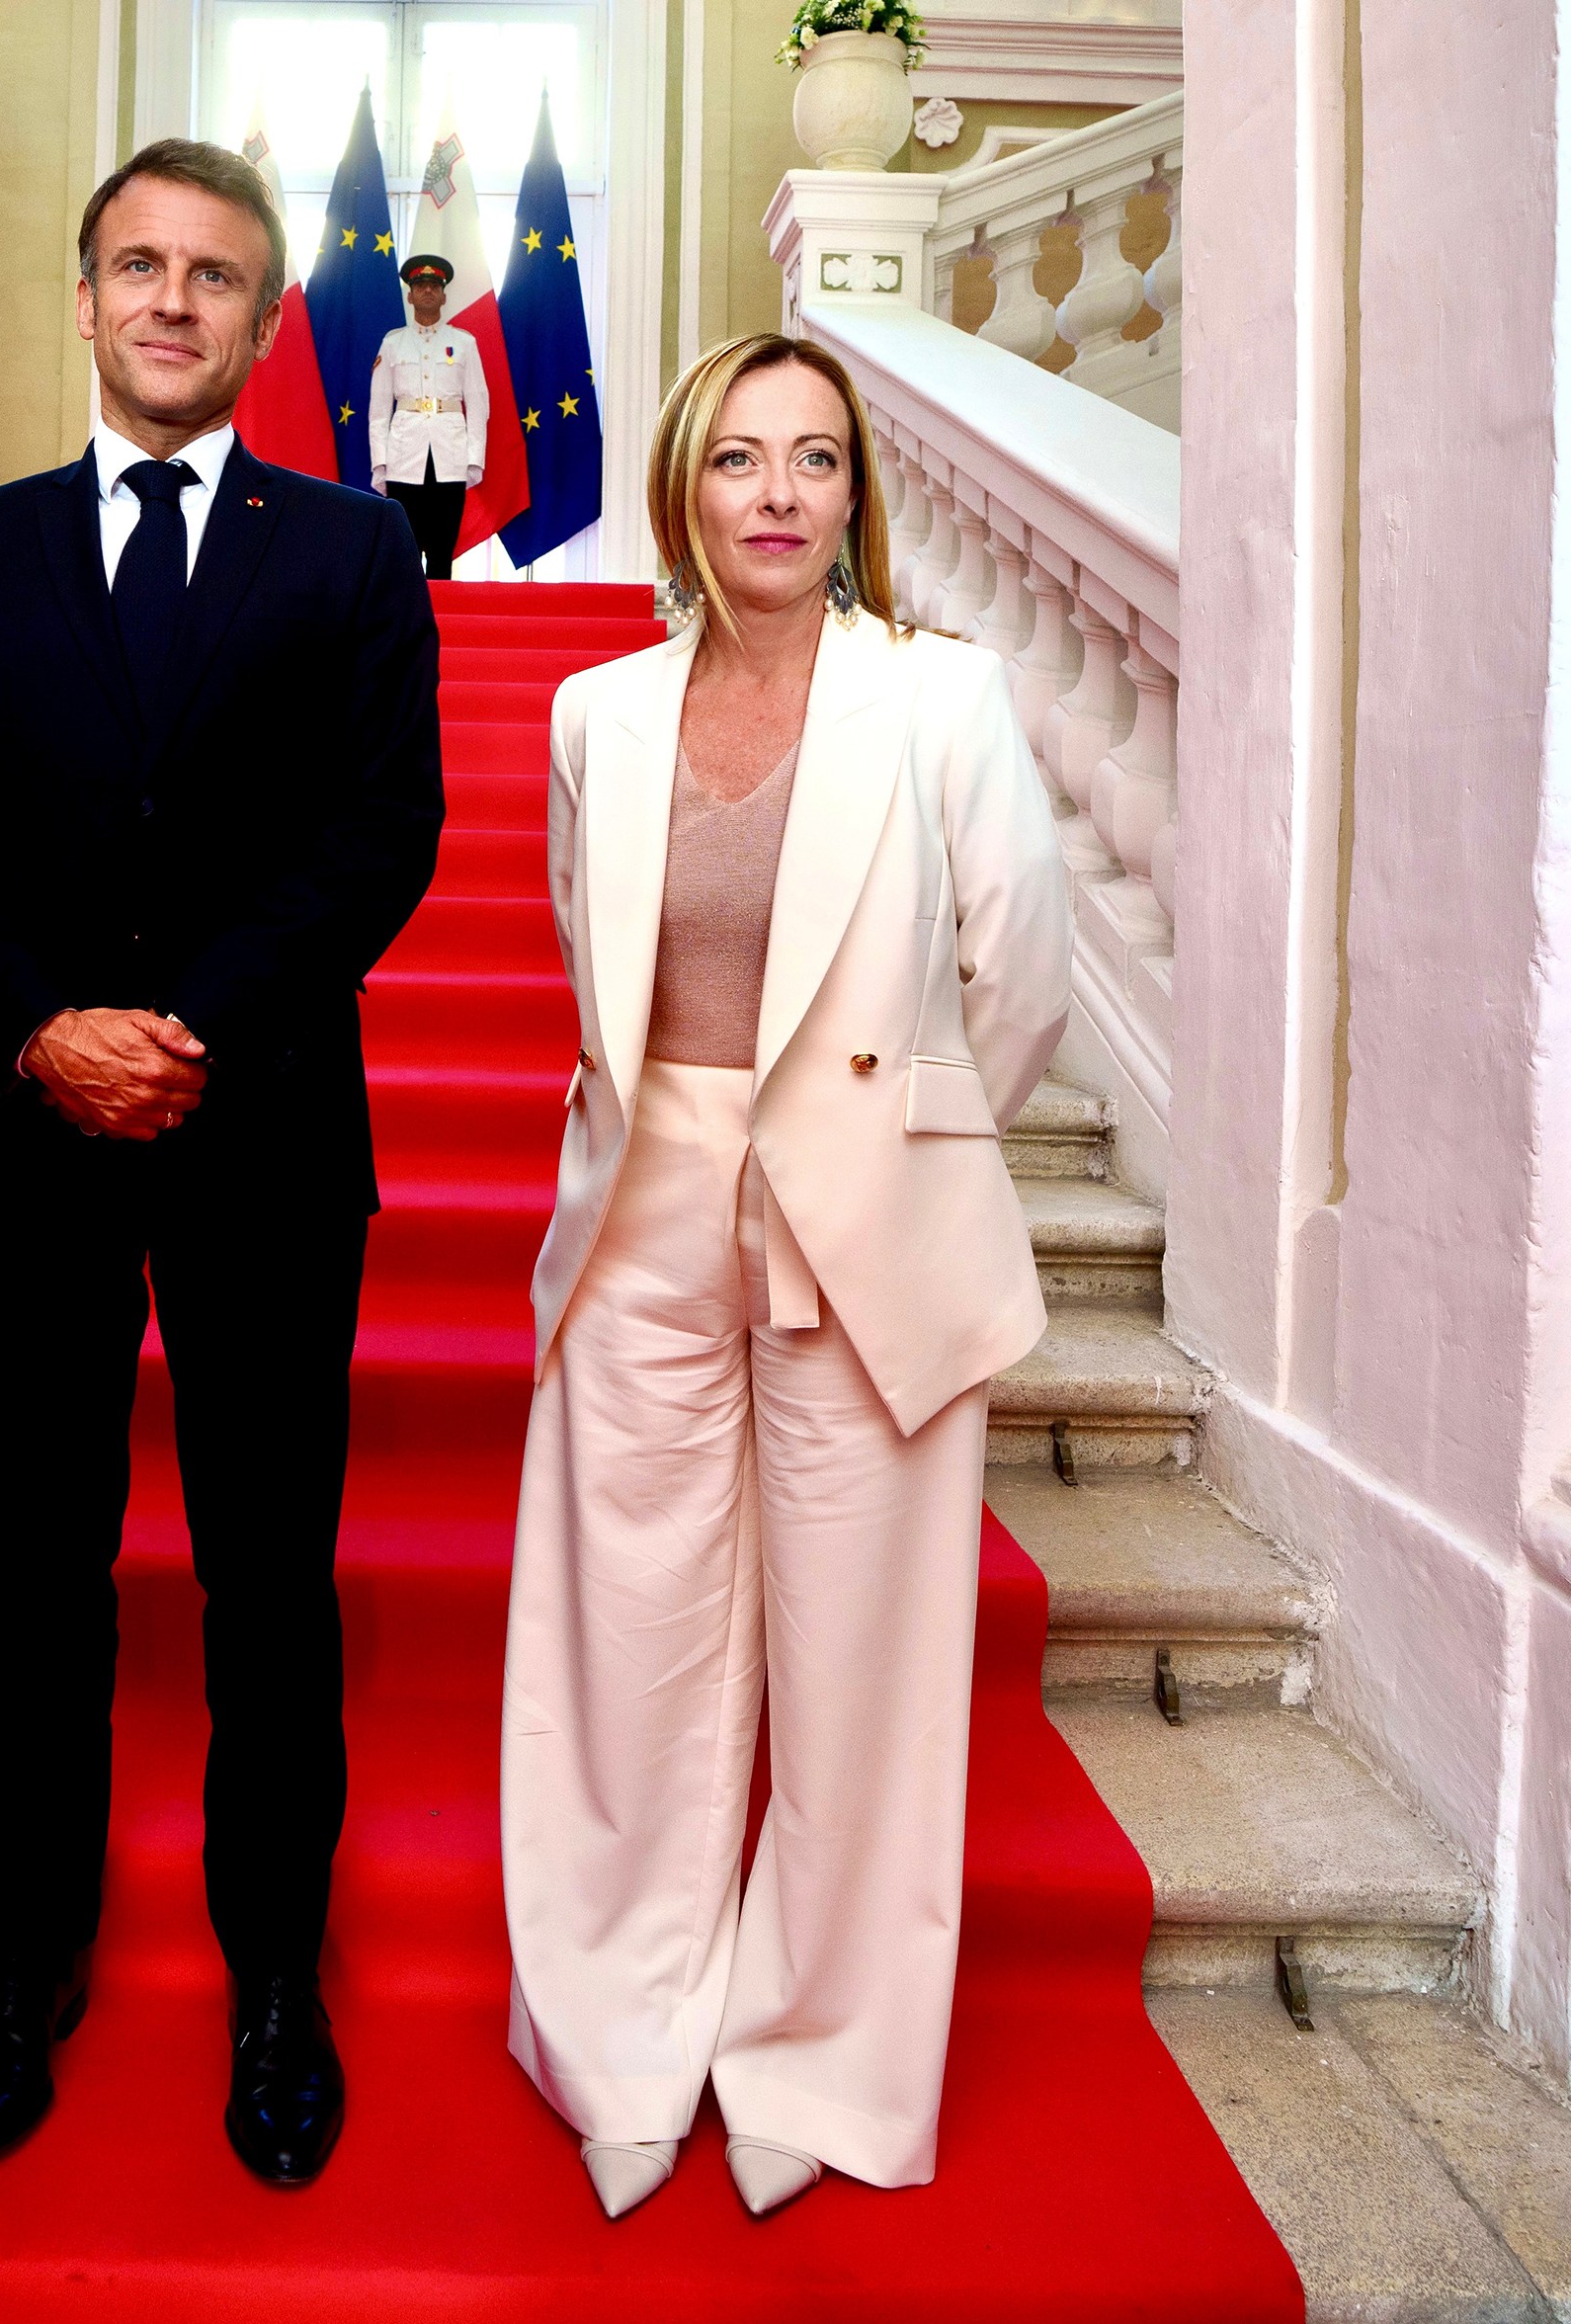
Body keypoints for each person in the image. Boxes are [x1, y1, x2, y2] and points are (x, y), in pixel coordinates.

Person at [0, 138, 443, 2187]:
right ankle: (24, 1977)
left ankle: (276, 1987)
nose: (174, 301)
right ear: (85, 298)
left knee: (270, 1588)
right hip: (25, 1145)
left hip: (263, 1136)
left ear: (269, 322)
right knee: (41, 1585)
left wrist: (191, 1030)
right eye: (139, 266)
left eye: (215, 276)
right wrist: (40, 1028)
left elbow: (381, 835)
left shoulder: (354, 552)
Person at [498, 333, 1069, 2222]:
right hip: (650, 1194)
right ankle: (620, 2032)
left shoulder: (946, 703)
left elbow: (1022, 989)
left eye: (813, 461)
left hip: (874, 1216)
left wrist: (893, 1141)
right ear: (685, 482)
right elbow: (600, 964)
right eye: (738, 457)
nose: (774, 493)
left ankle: (818, 2056)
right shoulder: (597, 710)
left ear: (852, 497)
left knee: (862, 1660)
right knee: (630, 1636)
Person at [367, 253, 489, 579]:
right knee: (403, 552)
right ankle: (407, 625)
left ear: (444, 294)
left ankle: (442, 624)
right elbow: (378, 412)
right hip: (405, 458)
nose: (428, 291)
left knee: (441, 552)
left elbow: (478, 405)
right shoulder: (393, 344)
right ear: (410, 294)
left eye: (434, 285)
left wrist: (474, 458)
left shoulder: (464, 343)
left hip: (449, 458)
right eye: (421, 285)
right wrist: (381, 462)